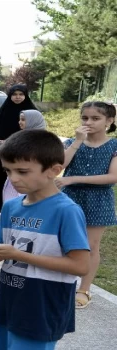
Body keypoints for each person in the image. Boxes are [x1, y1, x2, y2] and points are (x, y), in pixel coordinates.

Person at [0, 129, 90, 350]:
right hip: (10, 301)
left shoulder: (66, 211)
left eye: (22, 171)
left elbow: (80, 265)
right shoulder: (10, 207)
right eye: (8, 171)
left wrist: (20, 255)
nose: (13, 179)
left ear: (54, 170)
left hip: (42, 306)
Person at [55, 101, 117, 309]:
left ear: (109, 121)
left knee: (91, 246)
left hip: (98, 200)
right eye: (85, 118)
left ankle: (84, 289)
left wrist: (72, 179)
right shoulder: (72, 142)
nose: (89, 122)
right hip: (69, 198)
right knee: (62, 243)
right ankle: (61, 284)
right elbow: (59, 166)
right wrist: (77, 142)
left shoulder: (114, 145)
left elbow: (112, 177)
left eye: (95, 118)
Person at [0, 84, 36, 212]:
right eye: (14, 94)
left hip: (21, 150)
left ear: (25, 96)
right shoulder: (5, 109)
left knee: (14, 178)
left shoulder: (31, 111)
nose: (17, 97)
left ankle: (13, 202)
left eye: (21, 94)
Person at [0, 110, 47, 208]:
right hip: (16, 178)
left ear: (33, 121)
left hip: (28, 179)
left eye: (23, 119)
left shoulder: (40, 139)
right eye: (20, 119)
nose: (20, 122)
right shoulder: (23, 136)